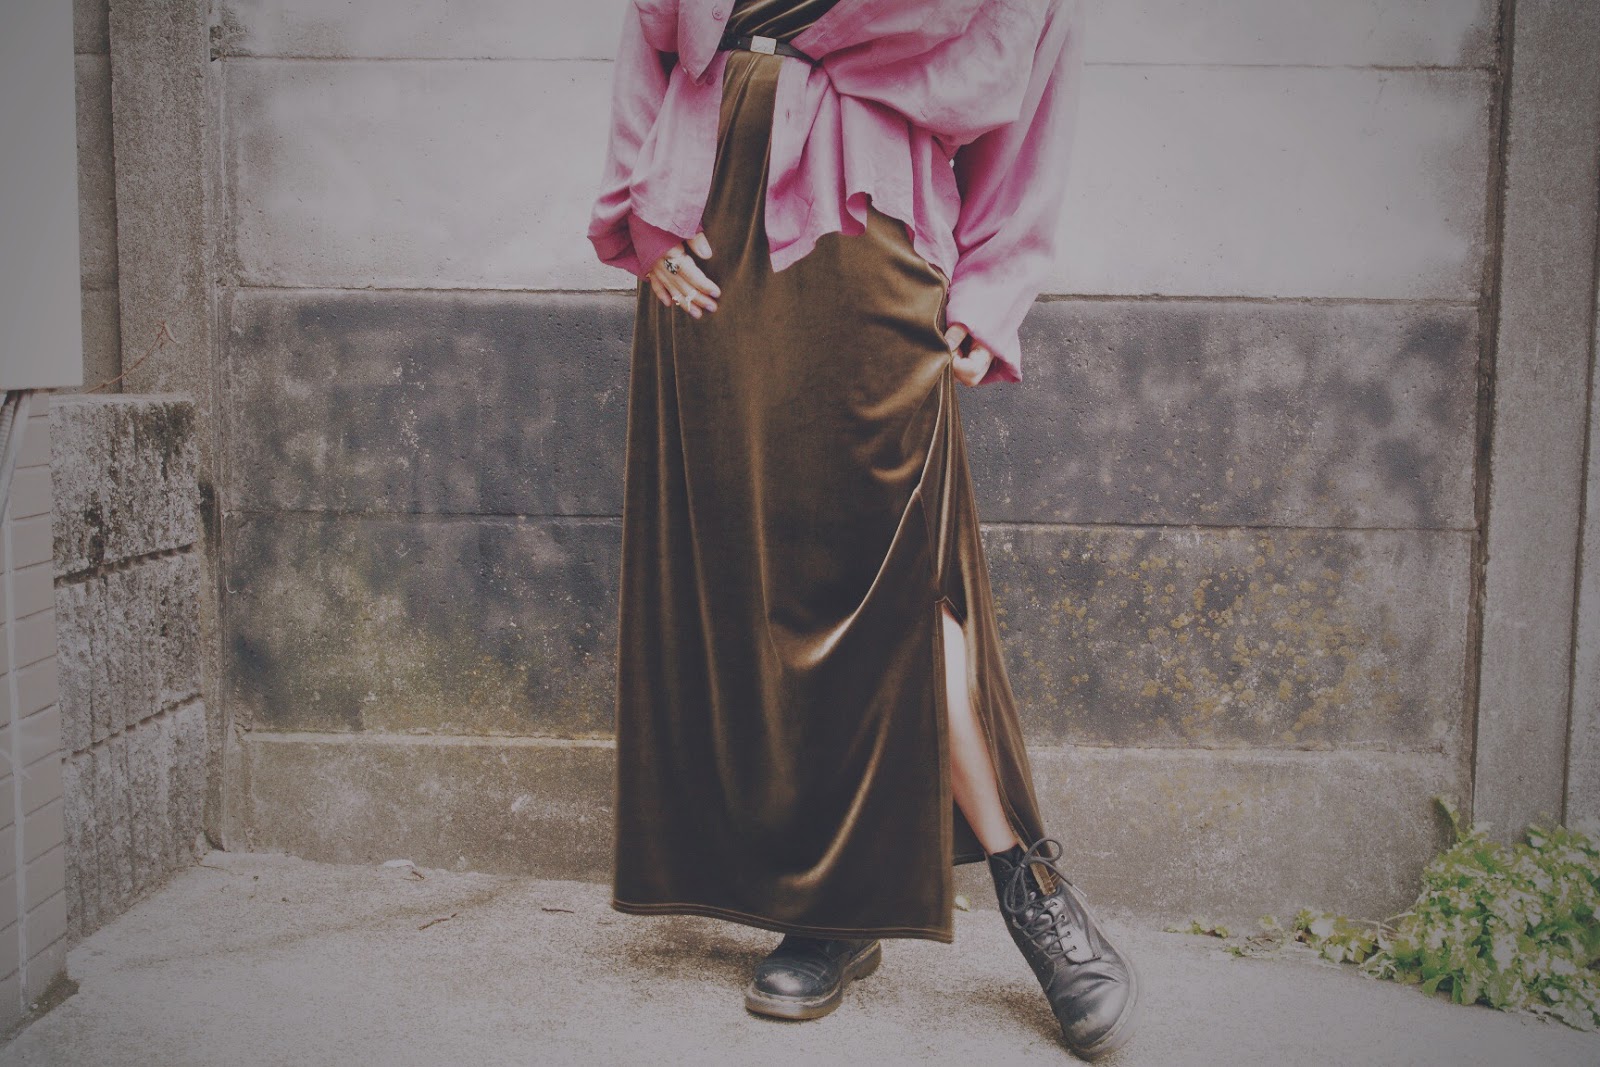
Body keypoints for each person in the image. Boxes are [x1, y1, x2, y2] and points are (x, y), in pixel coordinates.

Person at [587, 0, 1140, 1059]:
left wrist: (993, 283)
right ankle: (831, 912)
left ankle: (1031, 886)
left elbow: (1036, 70)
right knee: (750, 573)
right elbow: (647, 35)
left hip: (872, 233)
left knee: (898, 581)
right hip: (705, 245)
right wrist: (643, 208)